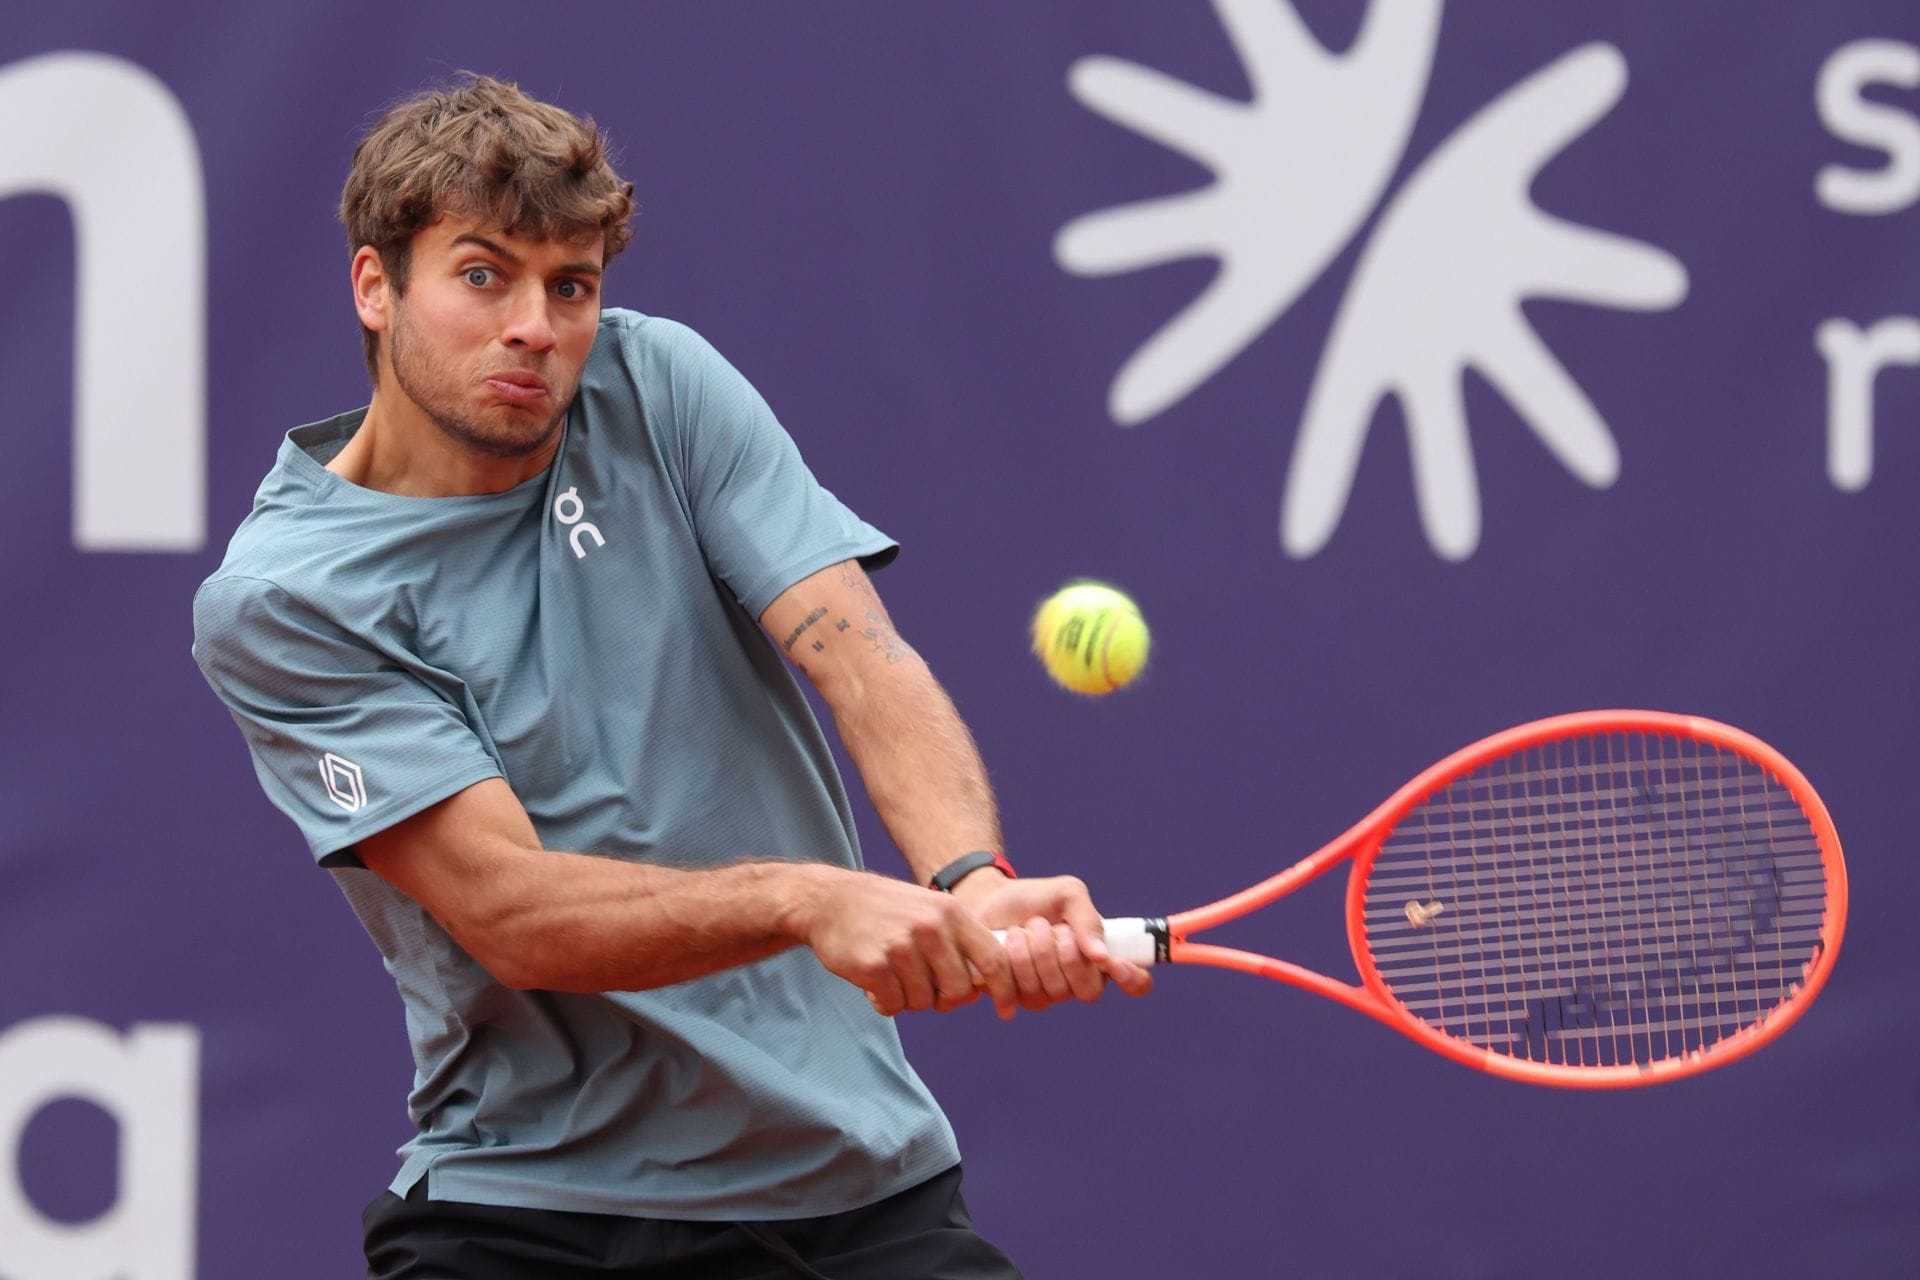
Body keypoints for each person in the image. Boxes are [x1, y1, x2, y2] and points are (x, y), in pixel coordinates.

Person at [191, 73, 1151, 1279]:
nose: (536, 325)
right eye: (484, 275)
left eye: (572, 285)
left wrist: (970, 872)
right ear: (376, 287)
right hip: (532, 1214)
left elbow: (860, 657)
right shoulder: (288, 600)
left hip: (857, 1190)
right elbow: (510, 911)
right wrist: (808, 899)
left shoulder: (656, 383)